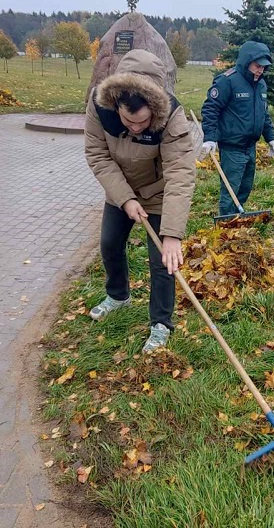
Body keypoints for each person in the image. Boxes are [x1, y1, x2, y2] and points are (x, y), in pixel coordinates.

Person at [84, 49, 196, 353]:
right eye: (128, 121)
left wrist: (172, 234)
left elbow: (180, 174)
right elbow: (97, 154)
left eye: (142, 122)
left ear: (154, 111)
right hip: (120, 189)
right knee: (109, 244)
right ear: (116, 104)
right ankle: (118, 295)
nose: (135, 128)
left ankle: (161, 323)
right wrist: (125, 199)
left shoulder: (171, 116)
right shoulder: (100, 105)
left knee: (163, 261)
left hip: (159, 194)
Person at [199, 40, 274, 216]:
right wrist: (210, 138)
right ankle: (226, 224)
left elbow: (263, 114)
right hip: (232, 147)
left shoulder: (261, 84)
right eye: (257, 66)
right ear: (246, 61)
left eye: (264, 67)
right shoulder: (228, 81)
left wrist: (270, 137)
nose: (260, 70)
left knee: (245, 187)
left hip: (250, 147)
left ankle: (238, 217)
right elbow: (210, 108)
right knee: (230, 190)